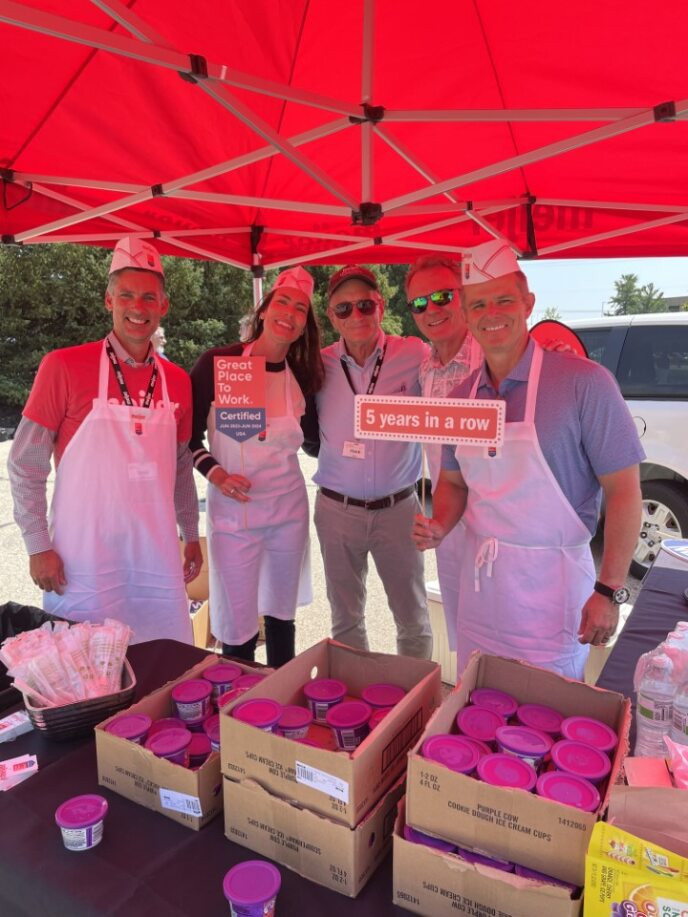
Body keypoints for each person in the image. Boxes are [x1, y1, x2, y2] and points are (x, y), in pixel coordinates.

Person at [413, 239, 644, 679]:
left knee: (548, 714)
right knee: (477, 698)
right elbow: (454, 482)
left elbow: (624, 492)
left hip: (552, 592)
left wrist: (610, 589)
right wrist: (440, 524)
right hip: (481, 591)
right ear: (465, 313)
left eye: (503, 300)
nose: (491, 313)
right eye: (478, 304)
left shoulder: (584, 384)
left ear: (527, 303)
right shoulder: (462, 398)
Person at [8, 236, 202, 644]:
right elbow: (26, 463)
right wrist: (37, 545)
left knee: (164, 664)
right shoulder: (62, 365)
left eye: (149, 297)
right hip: (84, 563)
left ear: (164, 306)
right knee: (86, 673)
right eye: (127, 295)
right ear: (108, 301)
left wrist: (191, 532)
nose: (138, 307)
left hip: (156, 560)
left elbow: (182, 467)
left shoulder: (178, 381)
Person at [190, 266, 324, 667]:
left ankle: (281, 695)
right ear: (264, 310)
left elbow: (316, 442)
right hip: (234, 517)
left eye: (300, 308)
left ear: (304, 325)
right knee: (236, 622)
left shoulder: (303, 374)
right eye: (282, 301)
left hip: (287, 512)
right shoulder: (219, 363)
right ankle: (239, 708)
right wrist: (216, 473)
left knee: (282, 615)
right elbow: (188, 437)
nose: (289, 313)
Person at [309, 265, 433, 659]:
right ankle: (355, 702)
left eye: (365, 305)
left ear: (380, 306)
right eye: (344, 309)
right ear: (331, 316)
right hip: (336, 509)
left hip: (398, 509)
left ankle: (415, 707)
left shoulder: (414, 353)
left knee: (412, 618)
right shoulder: (317, 363)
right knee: (345, 620)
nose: (356, 316)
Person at [405, 255, 483, 651]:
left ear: (464, 296)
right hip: (447, 523)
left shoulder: (492, 356)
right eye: (419, 303)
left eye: (441, 296)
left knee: (502, 641)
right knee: (463, 631)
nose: (431, 309)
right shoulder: (426, 369)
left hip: (497, 528)